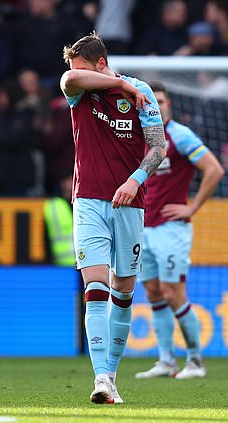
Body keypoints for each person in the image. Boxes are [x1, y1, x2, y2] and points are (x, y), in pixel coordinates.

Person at [60, 32, 167, 404]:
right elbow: (71, 80)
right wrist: (119, 82)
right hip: (88, 200)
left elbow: (158, 146)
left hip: (130, 203)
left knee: (123, 293)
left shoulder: (142, 93)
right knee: (95, 290)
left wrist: (134, 181)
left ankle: (113, 375)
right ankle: (101, 377)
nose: (77, 74)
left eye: (84, 66)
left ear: (101, 63)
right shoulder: (81, 86)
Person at [135, 82, 224, 380]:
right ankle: (166, 361)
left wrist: (192, 207)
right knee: (153, 291)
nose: (156, 106)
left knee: (174, 292)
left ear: (169, 105)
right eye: (151, 101)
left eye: (161, 101)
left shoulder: (179, 135)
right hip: (142, 226)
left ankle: (196, 361)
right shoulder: (139, 138)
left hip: (171, 229)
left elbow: (214, 169)